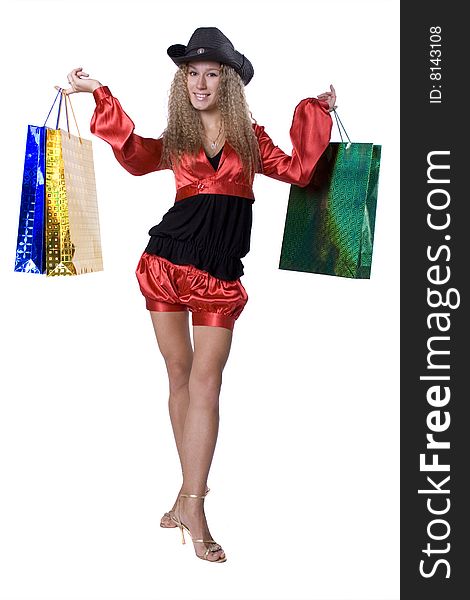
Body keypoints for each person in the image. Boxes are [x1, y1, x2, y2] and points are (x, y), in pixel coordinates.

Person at [58, 26, 336, 564]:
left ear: (229, 83)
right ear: (181, 81)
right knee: (179, 376)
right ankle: (191, 501)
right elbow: (135, 155)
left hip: (219, 275)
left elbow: (301, 172)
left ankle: (191, 501)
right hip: (164, 263)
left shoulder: (251, 140)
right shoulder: (180, 140)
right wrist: (99, 93)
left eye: (212, 74)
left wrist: (315, 110)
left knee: (207, 382)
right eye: (192, 73)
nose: (201, 83)